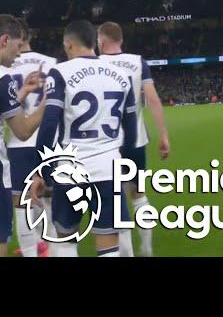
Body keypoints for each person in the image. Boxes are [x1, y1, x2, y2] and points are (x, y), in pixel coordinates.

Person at [30, 20, 137, 257]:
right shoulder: (122, 75)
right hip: (109, 169)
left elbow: (48, 125)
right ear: (94, 43)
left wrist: (41, 172)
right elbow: (131, 132)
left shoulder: (60, 72)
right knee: (108, 243)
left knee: (66, 242)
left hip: (70, 169)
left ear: (68, 45)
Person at [97, 21, 170, 257]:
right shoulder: (138, 61)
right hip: (136, 139)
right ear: (121, 40)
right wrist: (164, 135)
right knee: (139, 195)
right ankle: (146, 248)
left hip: (107, 143)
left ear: (101, 40)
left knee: (114, 198)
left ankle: (125, 251)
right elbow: (153, 99)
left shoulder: (94, 64)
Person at [6, 18, 57, 257]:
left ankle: (30, 248)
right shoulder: (51, 63)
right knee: (47, 196)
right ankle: (52, 248)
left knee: (21, 203)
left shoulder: (8, 67)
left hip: (17, 145)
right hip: (47, 138)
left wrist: (23, 92)